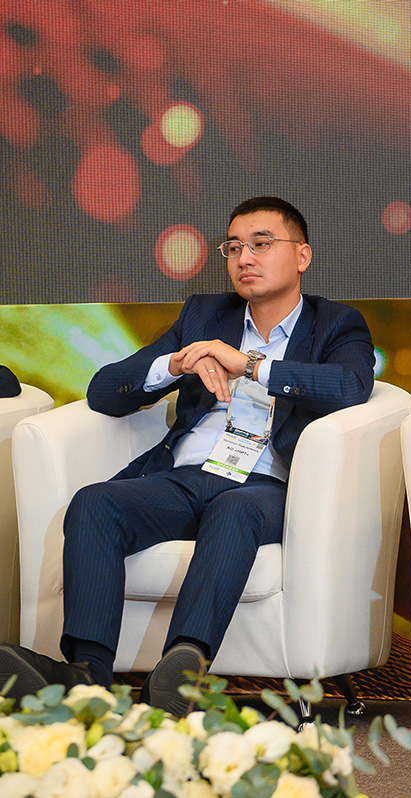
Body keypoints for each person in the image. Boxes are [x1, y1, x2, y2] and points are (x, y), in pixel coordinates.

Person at [0, 197, 375, 715]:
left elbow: (352, 386)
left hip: (264, 487)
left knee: (234, 509)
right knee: (95, 503)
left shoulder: (336, 323)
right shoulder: (204, 314)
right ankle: (88, 676)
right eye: (234, 247)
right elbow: (105, 392)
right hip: (186, 477)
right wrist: (174, 364)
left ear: (302, 256)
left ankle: (180, 674)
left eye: (261, 244)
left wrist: (249, 365)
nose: (245, 257)